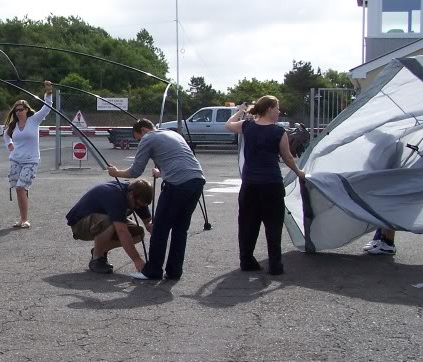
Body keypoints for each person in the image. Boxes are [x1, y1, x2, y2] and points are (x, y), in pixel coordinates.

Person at [106, 118, 206, 280]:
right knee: (180, 229)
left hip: (177, 184)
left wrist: (116, 173)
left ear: (144, 130)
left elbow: (135, 171)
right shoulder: (173, 134)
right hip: (197, 180)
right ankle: (174, 271)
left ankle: (153, 270)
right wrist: (162, 173)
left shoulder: (148, 138)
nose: (140, 141)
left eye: (138, 138)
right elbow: (177, 158)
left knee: (160, 228)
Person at [225, 95, 306, 276]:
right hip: (271, 185)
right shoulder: (279, 132)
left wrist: (239, 111)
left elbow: (228, 124)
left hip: (250, 186)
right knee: (273, 226)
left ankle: (246, 261)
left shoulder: (247, 126)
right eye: (277, 108)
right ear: (269, 109)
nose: (279, 112)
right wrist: (299, 172)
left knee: (247, 224)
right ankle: (275, 265)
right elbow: (287, 157)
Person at [66, 178, 154, 275]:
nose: (138, 208)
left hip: (99, 222)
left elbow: (148, 222)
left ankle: (100, 250)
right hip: (80, 225)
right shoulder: (116, 196)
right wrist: (138, 261)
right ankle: (97, 259)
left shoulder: (138, 196)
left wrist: (152, 228)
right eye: (137, 205)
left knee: (138, 232)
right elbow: (121, 231)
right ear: (131, 195)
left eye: (142, 206)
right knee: (111, 222)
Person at [2, 80, 54, 229]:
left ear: (26, 110)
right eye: (16, 110)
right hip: (15, 160)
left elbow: (47, 108)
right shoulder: (14, 125)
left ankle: (24, 220)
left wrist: (48, 92)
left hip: (31, 160)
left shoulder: (34, 120)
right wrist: (9, 144)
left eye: (21, 109)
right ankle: (21, 218)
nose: (18, 112)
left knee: (20, 188)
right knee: (19, 188)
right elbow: (6, 136)